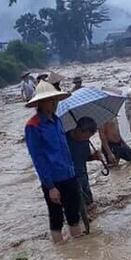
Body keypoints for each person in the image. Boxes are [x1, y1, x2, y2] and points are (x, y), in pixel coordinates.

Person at [24, 80, 82, 244]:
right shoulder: (33, 126)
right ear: (41, 103)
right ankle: (60, 249)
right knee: (56, 219)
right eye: (50, 100)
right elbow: (38, 159)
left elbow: (65, 150)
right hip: (54, 181)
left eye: (55, 99)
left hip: (69, 175)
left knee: (73, 216)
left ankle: (79, 249)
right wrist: (50, 187)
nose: (55, 103)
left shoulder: (57, 121)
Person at [66, 116, 103, 216]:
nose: (86, 140)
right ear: (78, 130)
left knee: (90, 206)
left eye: (89, 137)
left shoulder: (85, 141)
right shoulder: (63, 141)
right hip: (69, 180)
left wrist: (94, 157)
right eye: (85, 136)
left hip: (83, 178)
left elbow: (84, 157)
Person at [99, 87, 131, 166]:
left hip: (118, 143)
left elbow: (117, 134)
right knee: (115, 168)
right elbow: (102, 137)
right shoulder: (102, 117)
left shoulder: (113, 115)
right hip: (110, 146)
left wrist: (126, 145)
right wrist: (109, 153)